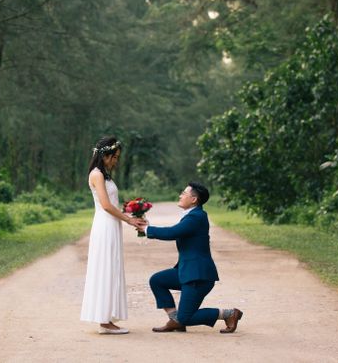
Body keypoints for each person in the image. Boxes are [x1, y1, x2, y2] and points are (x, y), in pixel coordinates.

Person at [138, 181, 243, 333]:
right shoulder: (193, 215)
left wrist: (147, 229)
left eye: (184, 193)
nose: (180, 195)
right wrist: (148, 227)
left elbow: (172, 232)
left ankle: (228, 314)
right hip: (187, 272)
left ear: (194, 199)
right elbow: (175, 231)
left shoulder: (197, 217)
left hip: (198, 277)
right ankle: (176, 320)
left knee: (186, 317)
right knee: (157, 280)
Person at [80, 136, 144, 334]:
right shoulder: (97, 174)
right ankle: (104, 322)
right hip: (105, 224)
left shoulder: (105, 174)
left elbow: (112, 202)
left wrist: (130, 208)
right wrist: (129, 219)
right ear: (105, 156)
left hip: (111, 224)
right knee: (106, 268)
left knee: (112, 267)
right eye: (114, 157)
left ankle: (107, 317)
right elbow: (106, 205)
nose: (116, 161)